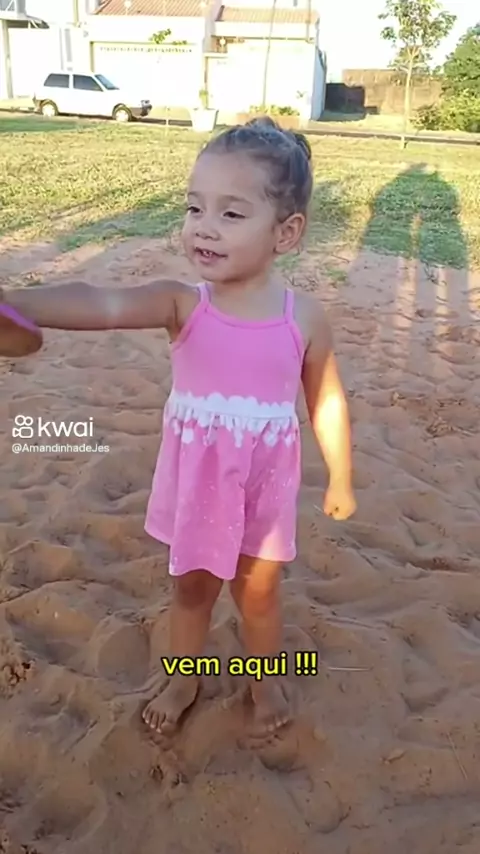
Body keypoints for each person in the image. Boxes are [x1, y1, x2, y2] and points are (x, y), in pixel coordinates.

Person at [1, 117, 356, 737]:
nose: (204, 226)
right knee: (192, 592)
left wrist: (341, 477)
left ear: (287, 232)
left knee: (258, 594)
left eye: (231, 213)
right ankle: (184, 677)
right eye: (194, 207)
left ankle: (264, 679)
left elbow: (325, 397)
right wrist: (16, 302)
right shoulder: (183, 304)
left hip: (264, 487)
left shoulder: (303, 317)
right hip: (201, 485)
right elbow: (101, 301)